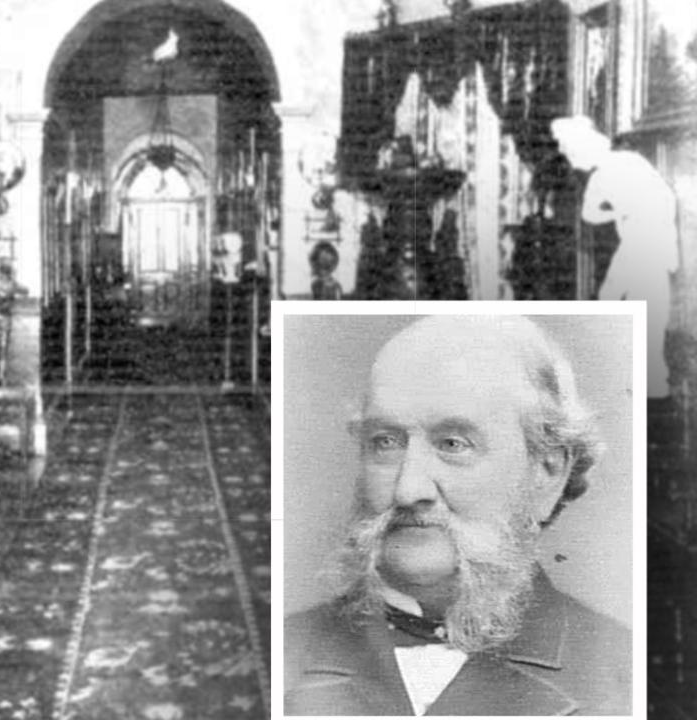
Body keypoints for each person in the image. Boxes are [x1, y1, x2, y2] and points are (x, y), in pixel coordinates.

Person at [283, 315, 630, 716]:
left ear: (547, 473)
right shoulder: (286, 652)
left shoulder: (624, 676)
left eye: (453, 444)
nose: (408, 490)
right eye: (385, 442)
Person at [551, 115, 679, 397]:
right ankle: (631, 376)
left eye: (570, 148)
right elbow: (590, 214)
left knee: (635, 306)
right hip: (637, 245)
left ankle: (647, 379)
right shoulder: (600, 176)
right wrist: (618, 212)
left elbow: (664, 198)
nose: (568, 155)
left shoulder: (628, 163)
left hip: (648, 245)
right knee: (618, 302)